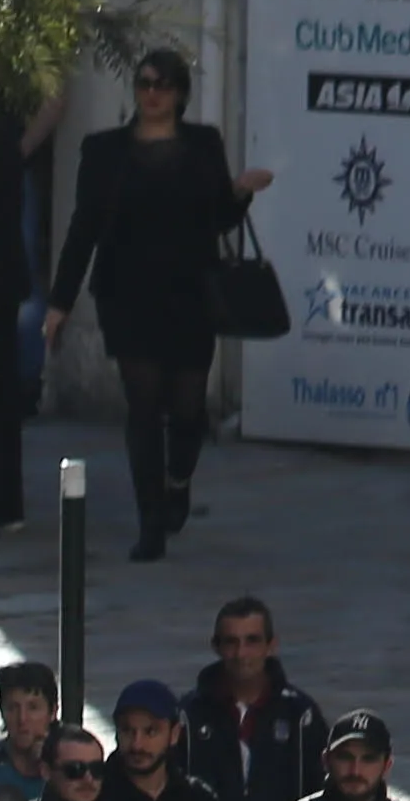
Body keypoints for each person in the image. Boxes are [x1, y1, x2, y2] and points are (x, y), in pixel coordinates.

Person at [46, 45, 271, 559]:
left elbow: (218, 218)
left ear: (179, 95)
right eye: (144, 83)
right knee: (143, 407)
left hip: (191, 291)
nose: (151, 94)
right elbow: (83, 230)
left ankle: (178, 480)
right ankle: (150, 521)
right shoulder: (104, 151)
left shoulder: (202, 145)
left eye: (162, 85)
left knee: (188, 408)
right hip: (128, 295)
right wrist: (60, 302)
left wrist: (239, 192)